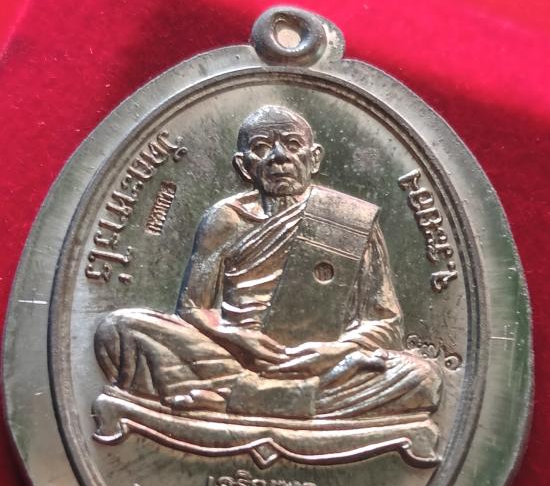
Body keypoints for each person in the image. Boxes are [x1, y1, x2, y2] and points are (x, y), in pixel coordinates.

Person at [94, 105, 441, 421]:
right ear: (243, 166)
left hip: (322, 364)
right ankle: (277, 398)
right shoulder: (226, 219)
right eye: (261, 147)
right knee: (120, 329)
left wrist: (336, 350)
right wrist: (237, 337)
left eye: (292, 144)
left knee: (422, 377)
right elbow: (192, 309)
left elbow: (386, 323)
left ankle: (235, 398)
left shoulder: (350, 219)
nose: (279, 157)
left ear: (314, 158)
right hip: (234, 357)